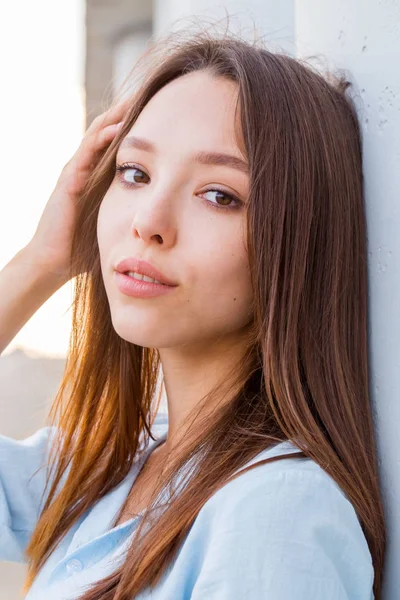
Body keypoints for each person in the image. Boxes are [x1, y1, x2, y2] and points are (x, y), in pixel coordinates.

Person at [0, 26, 386, 600]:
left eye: (220, 195)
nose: (148, 219)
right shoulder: (112, 470)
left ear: (296, 244)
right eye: (134, 173)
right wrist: (39, 262)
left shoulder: (274, 512)